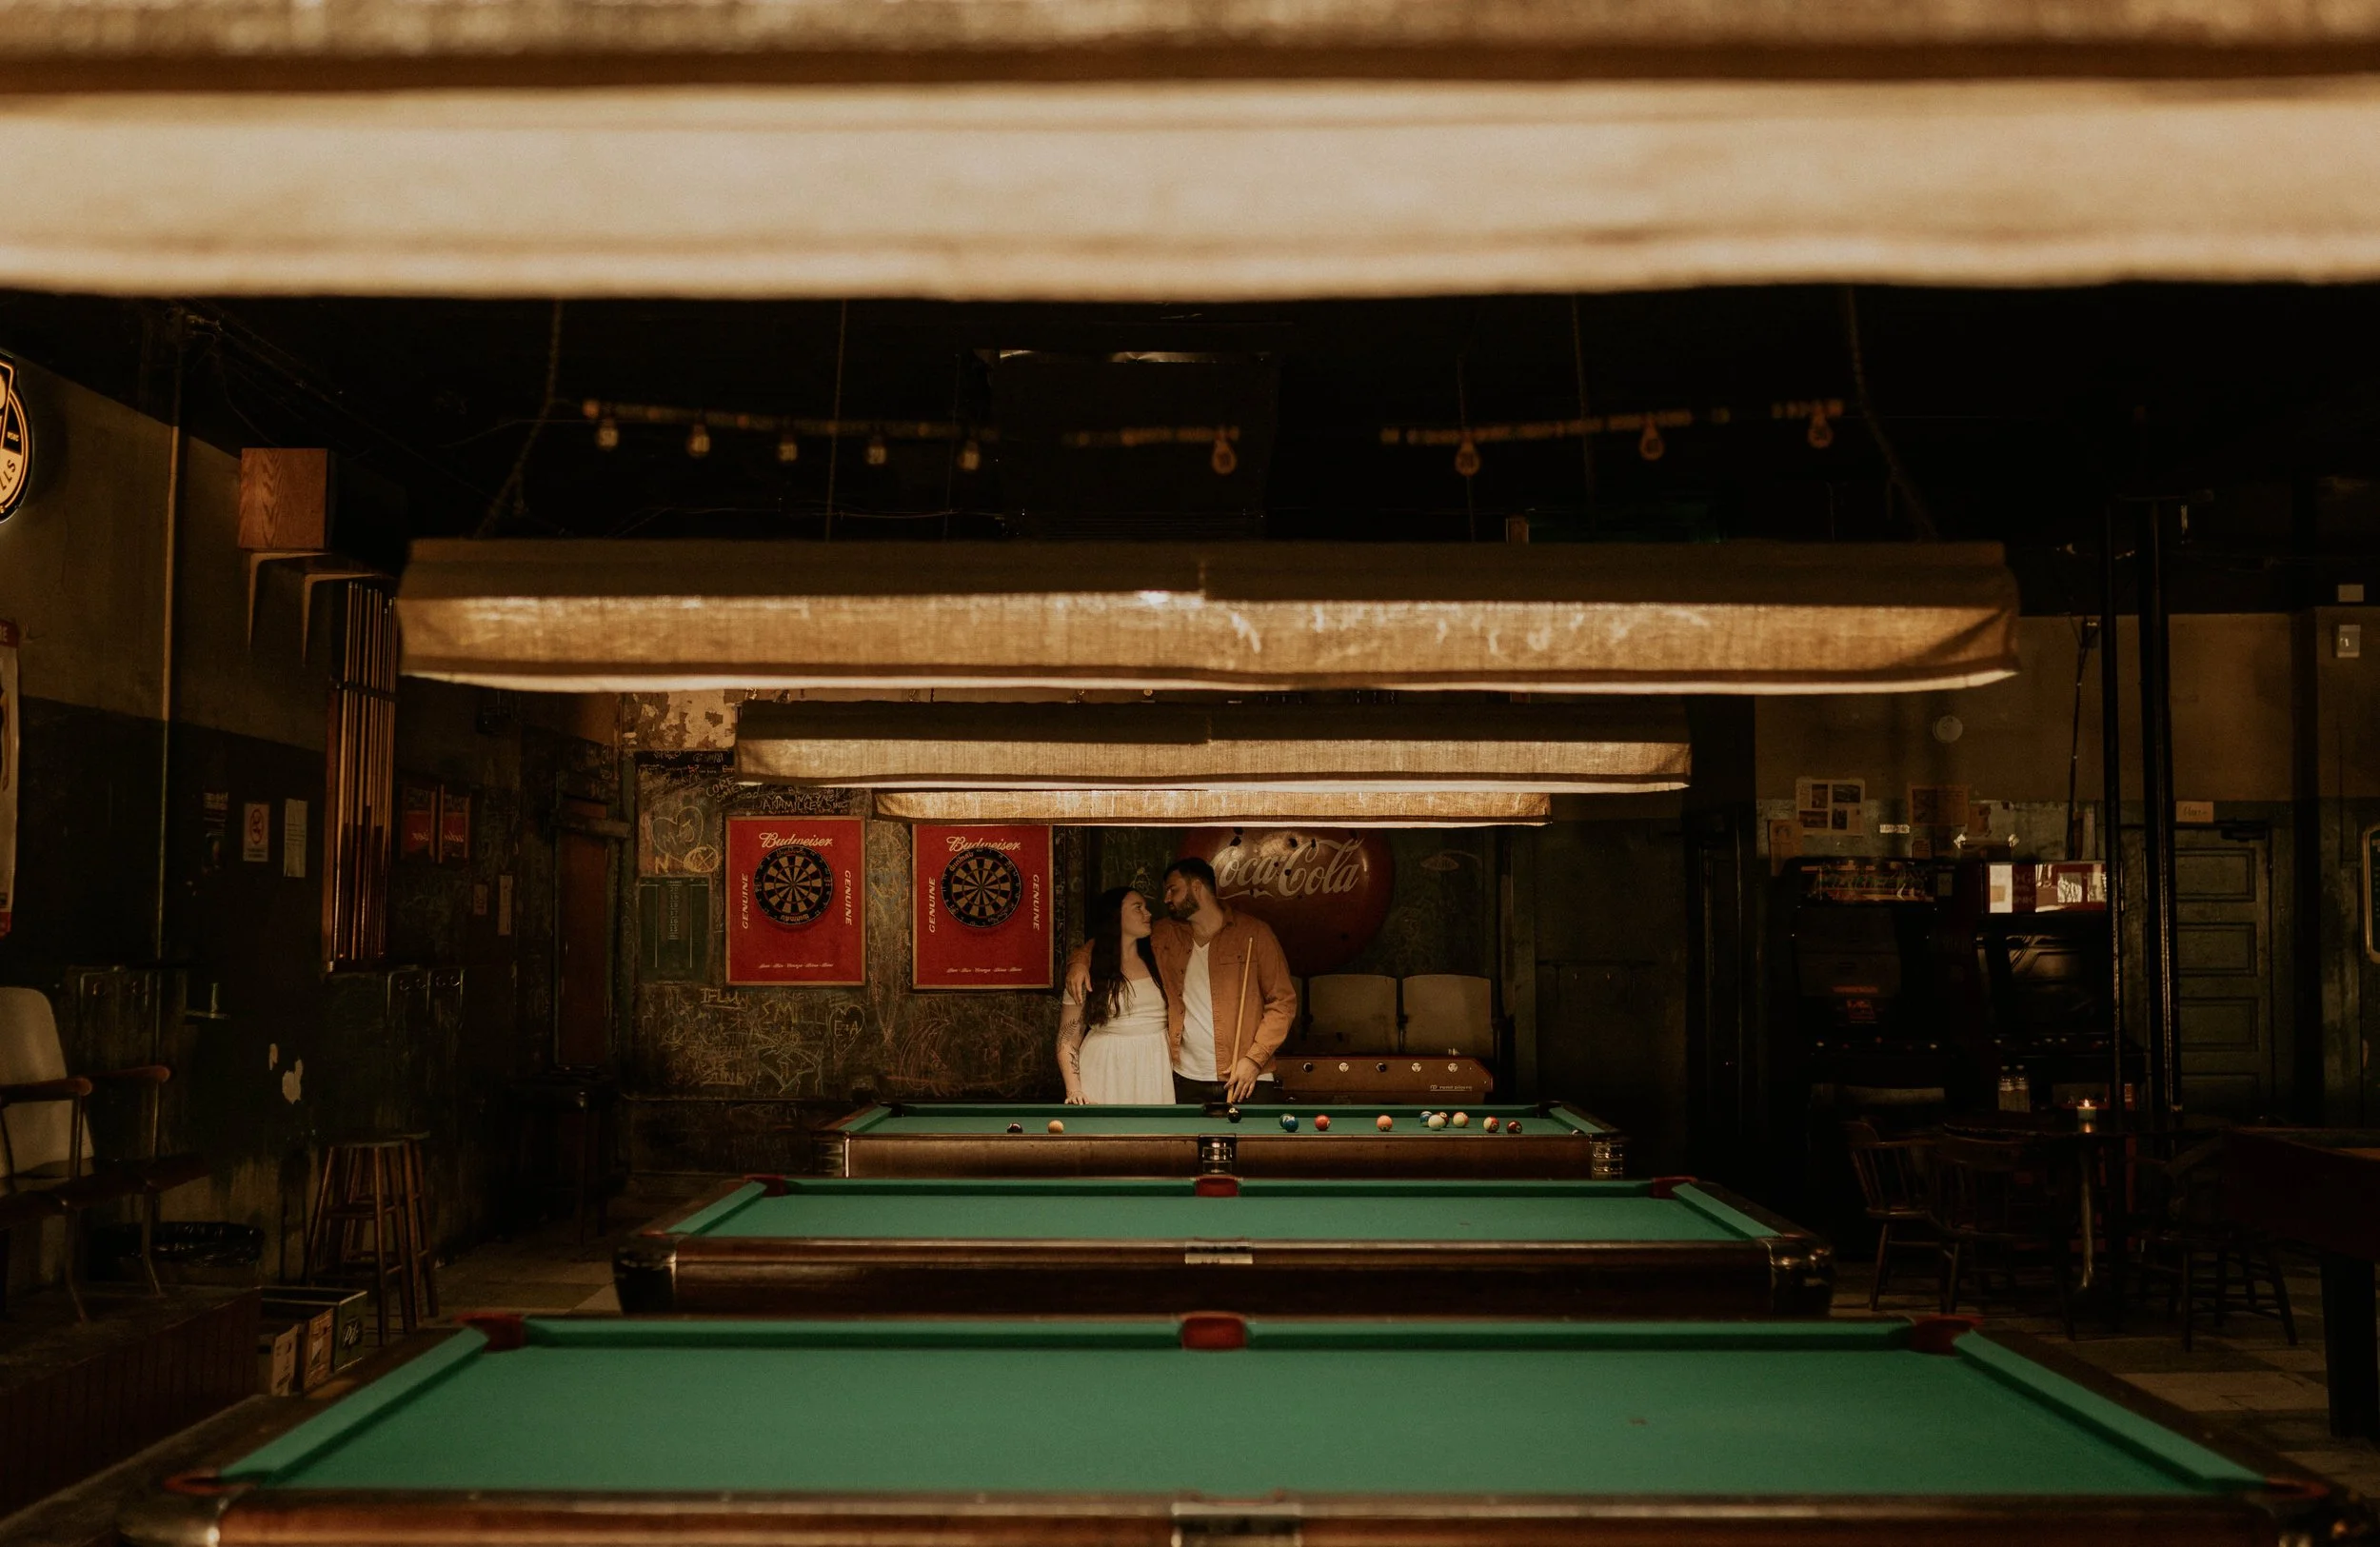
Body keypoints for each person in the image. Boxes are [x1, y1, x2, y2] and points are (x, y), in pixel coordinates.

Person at [1069, 857, 1298, 1104]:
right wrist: (1080, 961)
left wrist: (1254, 1060)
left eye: (1173, 889)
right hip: (1186, 1078)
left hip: (1247, 1077)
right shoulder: (1165, 933)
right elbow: (1112, 939)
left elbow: (1282, 1003)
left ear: (1196, 887)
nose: (1166, 899)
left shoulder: (1255, 933)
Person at [1057, 887, 1173, 1104]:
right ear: (1116, 915)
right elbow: (1068, 1039)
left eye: (1146, 907)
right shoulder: (1088, 969)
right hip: (1104, 1068)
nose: (1148, 913)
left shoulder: (1159, 955)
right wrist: (1074, 1090)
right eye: (1138, 907)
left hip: (1155, 1065)